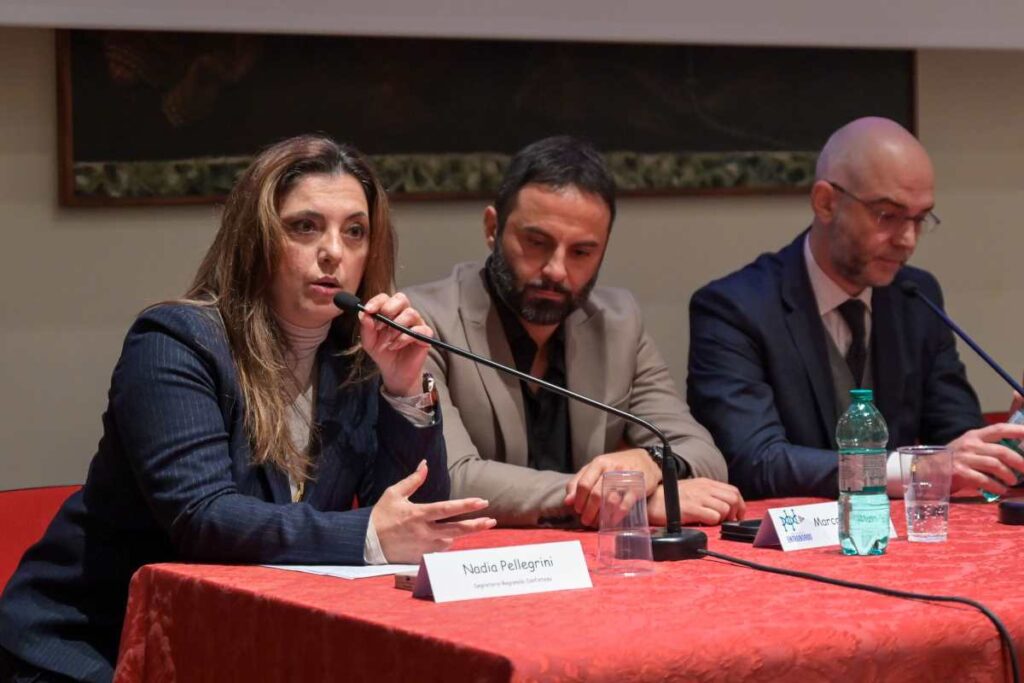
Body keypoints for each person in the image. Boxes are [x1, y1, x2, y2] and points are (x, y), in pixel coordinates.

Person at [0, 135, 495, 682]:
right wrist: (367, 536)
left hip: (242, 645)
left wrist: (403, 388)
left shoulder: (357, 361)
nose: (333, 251)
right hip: (91, 646)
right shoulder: (176, 342)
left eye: (355, 231)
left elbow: (416, 527)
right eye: (305, 226)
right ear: (255, 238)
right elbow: (202, 517)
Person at [406, 136, 744, 528]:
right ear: (492, 228)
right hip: (476, 557)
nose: (556, 270)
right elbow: (450, 479)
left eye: (581, 252)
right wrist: (620, 498)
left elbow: (702, 453)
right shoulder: (425, 322)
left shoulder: (619, 324)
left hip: (587, 558)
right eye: (536, 243)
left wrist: (649, 462)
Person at [687, 117, 1024, 500]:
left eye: (919, 218)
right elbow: (755, 461)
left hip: (895, 531)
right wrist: (914, 469)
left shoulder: (915, 297)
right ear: (826, 203)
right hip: (787, 531)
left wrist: (1013, 442)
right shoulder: (734, 308)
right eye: (887, 216)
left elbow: (956, 440)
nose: (907, 239)